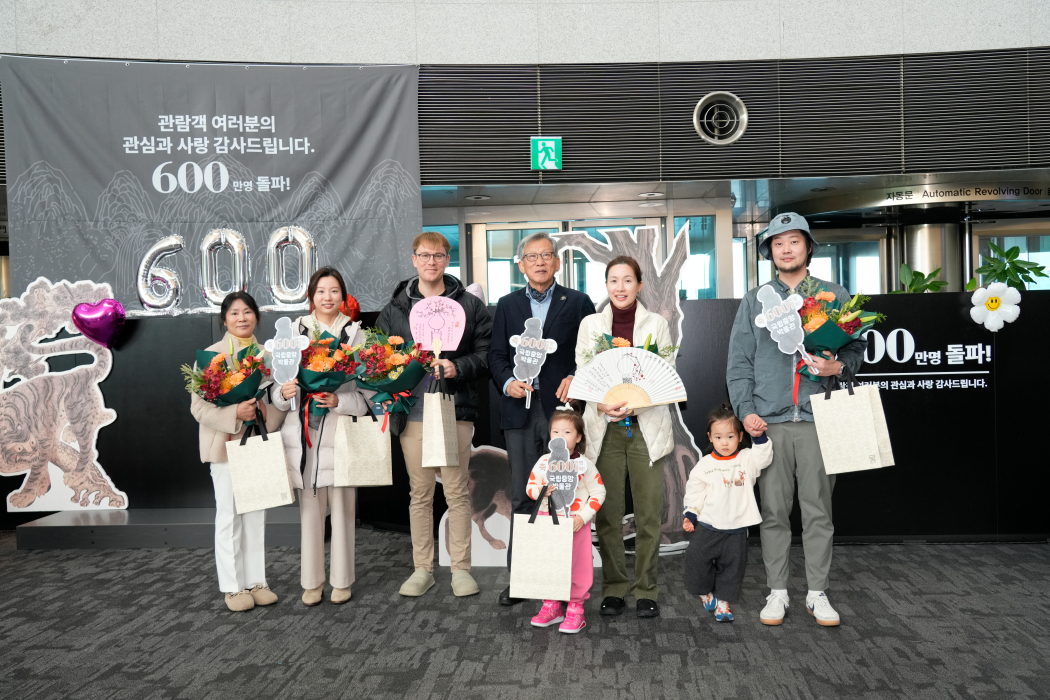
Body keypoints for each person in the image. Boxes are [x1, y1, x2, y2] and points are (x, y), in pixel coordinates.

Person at [727, 212, 867, 627]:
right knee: (772, 511)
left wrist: (836, 368)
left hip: (818, 418)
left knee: (818, 511)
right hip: (769, 423)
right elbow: (739, 362)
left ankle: (817, 593)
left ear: (807, 247)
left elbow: (856, 351)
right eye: (778, 243)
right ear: (769, 251)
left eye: (794, 241)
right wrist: (746, 411)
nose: (786, 249)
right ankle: (777, 592)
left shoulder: (833, 295)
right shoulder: (756, 299)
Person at [376, 231, 492, 598]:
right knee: (420, 492)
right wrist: (397, 371)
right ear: (413, 259)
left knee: (457, 491)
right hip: (412, 412)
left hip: (454, 409)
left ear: (447, 260)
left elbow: (488, 354)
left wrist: (458, 368)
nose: (431, 262)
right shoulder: (395, 309)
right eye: (424, 256)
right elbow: (377, 358)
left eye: (439, 256)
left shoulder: (469, 306)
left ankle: (461, 569)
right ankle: (422, 568)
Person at [488, 232, 596, 607]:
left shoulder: (579, 302)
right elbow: (496, 355)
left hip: (561, 415)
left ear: (557, 262)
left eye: (546, 255)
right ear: (521, 264)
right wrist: (507, 382)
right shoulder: (506, 304)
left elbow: (591, 354)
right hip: (519, 412)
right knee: (523, 495)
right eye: (531, 256)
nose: (539, 261)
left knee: (565, 497)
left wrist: (575, 376)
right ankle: (521, 579)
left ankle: (563, 582)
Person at [573, 256, 675, 619]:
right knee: (609, 515)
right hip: (605, 429)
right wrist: (603, 404)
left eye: (627, 280)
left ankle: (647, 588)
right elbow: (584, 374)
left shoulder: (657, 324)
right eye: (613, 280)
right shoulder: (590, 325)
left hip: (647, 427)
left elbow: (665, 374)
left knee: (649, 515)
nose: (620, 287)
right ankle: (615, 587)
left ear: (640, 284)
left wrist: (635, 404)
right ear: (606, 285)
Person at [271, 267, 371, 607]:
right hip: (305, 431)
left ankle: (342, 579)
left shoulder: (356, 335)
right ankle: (312, 581)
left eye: (334, 291)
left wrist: (339, 400)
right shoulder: (293, 332)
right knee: (310, 511)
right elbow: (275, 391)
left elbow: (370, 392)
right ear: (310, 296)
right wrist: (285, 393)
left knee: (344, 508)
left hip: (342, 431)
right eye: (321, 292)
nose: (327, 298)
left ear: (343, 297)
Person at [189, 291, 285, 612]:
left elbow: (279, 406)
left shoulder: (268, 355)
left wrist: (265, 407)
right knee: (229, 516)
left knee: (256, 515)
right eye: (234, 313)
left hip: (258, 439)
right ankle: (233, 587)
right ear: (224, 319)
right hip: (226, 445)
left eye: (247, 312)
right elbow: (199, 409)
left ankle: (257, 581)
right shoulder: (211, 356)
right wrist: (234, 414)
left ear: (256, 315)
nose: (241, 318)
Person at [682, 404, 772, 622]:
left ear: (740, 436)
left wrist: (759, 437)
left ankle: (723, 603)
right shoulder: (705, 464)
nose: (725, 442)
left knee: (732, 569)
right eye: (719, 437)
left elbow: (764, 458)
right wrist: (690, 515)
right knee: (695, 560)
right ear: (710, 438)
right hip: (708, 526)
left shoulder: (747, 459)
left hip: (737, 529)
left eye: (730, 436)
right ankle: (705, 593)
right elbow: (695, 491)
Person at [524, 403, 606, 634]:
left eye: (567, 432)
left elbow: (598, 492)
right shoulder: (543, 463)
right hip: (548, 522)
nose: (560, 437)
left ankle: (576, 609)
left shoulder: (584, 465)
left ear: (579, 436)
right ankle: (551, 606)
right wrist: (542, 491)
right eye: (555, 432)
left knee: (577, 566)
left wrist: (583, 516)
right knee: (549, 563)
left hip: (575, 525)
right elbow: (530, 485)